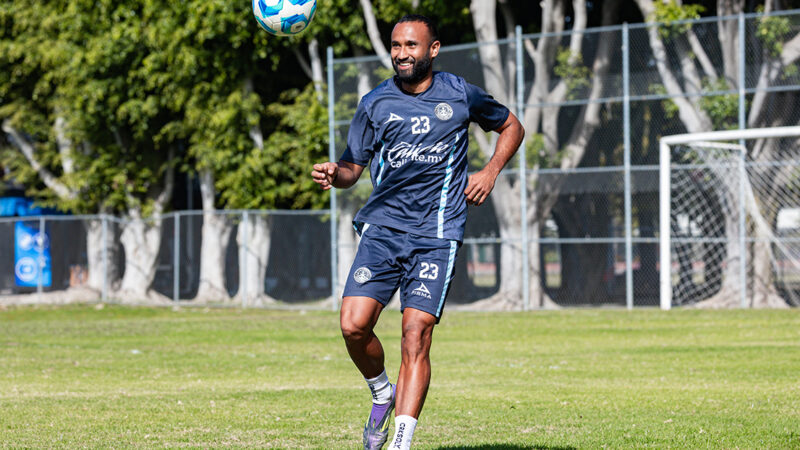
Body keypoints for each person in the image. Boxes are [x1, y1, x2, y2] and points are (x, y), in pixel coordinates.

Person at [311, 14, 524, 450]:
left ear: (433, 49)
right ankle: (381, 392)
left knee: (416, 333)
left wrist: (490, 170)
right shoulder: (375, 103)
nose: (402, 53)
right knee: (353, 326)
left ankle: (401, 442)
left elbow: (511, 126)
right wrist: (337, 172)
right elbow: (354, 167)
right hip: (383, 230)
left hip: (437, 232)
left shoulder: (460, 94)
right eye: (396, 46)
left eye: (411, 45)